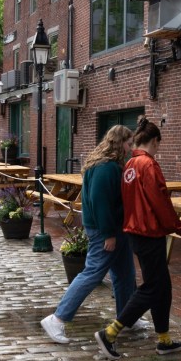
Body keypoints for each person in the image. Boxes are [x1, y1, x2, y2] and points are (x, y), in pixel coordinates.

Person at [94, 117, 181, 360]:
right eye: (159, 143)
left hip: (136, 231)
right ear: (155, 141)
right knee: (152, 287)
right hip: (149, 232)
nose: (159, 148)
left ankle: (163, 338)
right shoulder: (149, 165)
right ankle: (110, 332)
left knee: (162, 286)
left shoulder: (129, 164)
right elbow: (160, 202)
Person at [41, 125, 140, 343]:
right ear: (119, 143)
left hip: (115, 229)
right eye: (128, 143)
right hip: (106, 231)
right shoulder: (106, 168)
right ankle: (57, 319)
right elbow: (101, 203)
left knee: (125, 274)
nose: (131, 148)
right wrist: (108, 234)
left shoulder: (108, 165)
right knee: (92, 274)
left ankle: (127, 318)